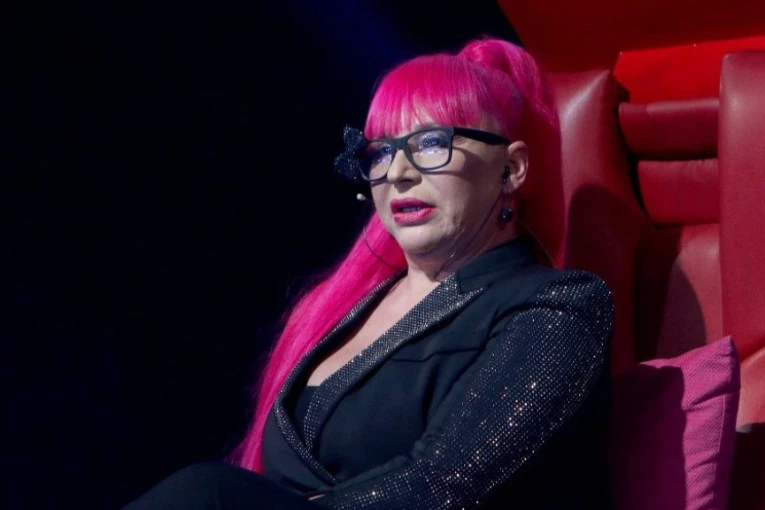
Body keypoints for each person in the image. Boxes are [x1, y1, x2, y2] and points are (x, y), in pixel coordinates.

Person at [124, 37, 614, 510]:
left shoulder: (558, 305)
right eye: (381, 152)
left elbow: (442, 487)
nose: (398, 173)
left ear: (513, 168)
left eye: (432, 143)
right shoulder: (336, 314)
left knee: (206, 493)